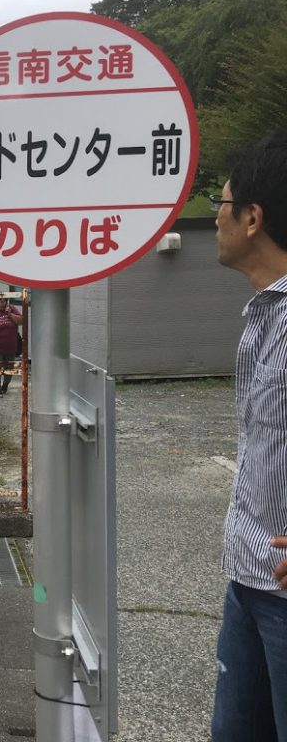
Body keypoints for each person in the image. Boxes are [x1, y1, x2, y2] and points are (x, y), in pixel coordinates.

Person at [210, 133, 287, 742]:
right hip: (250, 578)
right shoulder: (265, 315)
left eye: (222, 200)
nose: (216, 214)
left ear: (253, 218)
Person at [0, 296, 23, 397]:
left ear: (6, 302)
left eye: (2, 302)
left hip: (10, 346)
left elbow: (21, 321)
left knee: (9, 369)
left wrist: (10, 314)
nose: (0, 304)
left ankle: (5, 386)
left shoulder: (12, 309)